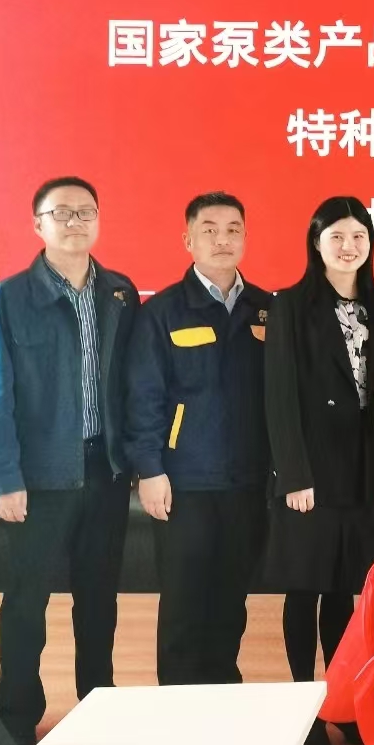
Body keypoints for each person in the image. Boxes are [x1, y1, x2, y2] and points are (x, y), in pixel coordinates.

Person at [0, 177, 140, 745]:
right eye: (61, 212)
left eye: (85, 211)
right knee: (27, 601)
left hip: (105, 471)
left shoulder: (119, 293)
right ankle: (17, 715)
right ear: (37, 224)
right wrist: (2, 476)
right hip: (38, 476)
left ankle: (98, 702)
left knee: (99, 599)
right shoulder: (9, 298)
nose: (75, 222)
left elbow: (132, 383)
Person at [264, 196, 374, 745]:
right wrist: (294, 474)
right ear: (316, 243)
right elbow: (279, 397)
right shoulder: (290, 306)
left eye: (359, 236)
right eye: (337, 237)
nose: (349, 247)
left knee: (347, 591)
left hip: (364, 471)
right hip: (311, 473)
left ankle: (341, 701)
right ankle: (305, 706)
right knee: (306, 588)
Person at [125, 192, 273, 686]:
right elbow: (144, 396)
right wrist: (150, 469)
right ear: (188, 240)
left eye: (233, 229)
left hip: (247, 481)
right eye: (209, 229)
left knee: (232, 598)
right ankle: (180, 702)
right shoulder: (163, 311)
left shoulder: (267, 310)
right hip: (183, 481)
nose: (222, 239)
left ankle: (222, 690)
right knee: (184, 600)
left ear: (245, 238)